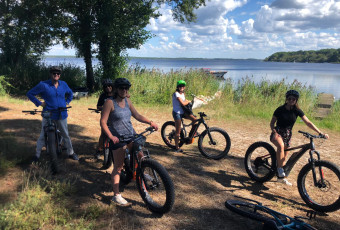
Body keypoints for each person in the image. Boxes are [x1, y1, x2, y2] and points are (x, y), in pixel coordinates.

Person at [100, 77, 158, 205]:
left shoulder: (127, 101)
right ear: (116, 89)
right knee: (118, 168)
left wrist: (150, 122)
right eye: (121, 88)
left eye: (126, 88)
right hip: (117, 138)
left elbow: (137, 115)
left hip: (130, 135)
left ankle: (140, 173)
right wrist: (111, 136)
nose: (124, 90)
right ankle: (116, 195)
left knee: (141, 156)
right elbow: (103, 122)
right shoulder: (109, 102)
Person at [270, 89, 329, 185]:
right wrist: (274, 131)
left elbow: (308, 122)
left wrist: (320, 132)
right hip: (277, 132)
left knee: (284, 158)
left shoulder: (297, 110)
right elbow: (272, 123)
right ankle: (280, 170)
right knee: (280, 146)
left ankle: (281, 178)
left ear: (296, 100)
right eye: (289, 98)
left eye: (293, 99)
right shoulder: (280, 109)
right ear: (286, 99)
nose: (291, 100)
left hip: (288, 134)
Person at [27, 66, 79, 162]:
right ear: (50, 74)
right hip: (49, 114)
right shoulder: (43, 85)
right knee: (42, 135)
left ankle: (71, 153)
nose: (56, 75)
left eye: (58, 73)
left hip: (62, 114)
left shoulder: (63, 84)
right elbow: (30, 93)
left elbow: (70, 93)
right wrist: (40, 103)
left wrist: (67, 101)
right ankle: (37, 155)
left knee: (65, 134)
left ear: (60, 75)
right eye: (54, 73)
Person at [172, 80, 197, 153]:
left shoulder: (182, 93)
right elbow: (182, 103)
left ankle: (190, 137)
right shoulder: (176, 94)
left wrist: (188, 100)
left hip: (183, 112)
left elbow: (184, 100)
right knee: (178, 131)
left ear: (184, 87)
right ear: (177, 87)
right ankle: (176, 147)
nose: (181, 87)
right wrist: (189, 101)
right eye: (180, 86)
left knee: (195, 120)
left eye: (183, 86)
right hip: (177, 113)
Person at [94, 79, 115, 159]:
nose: (108, 87)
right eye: (106, 86)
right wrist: (103, 108)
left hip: (114, 117)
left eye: (109, 85)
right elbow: (98, 106)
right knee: (103, 134)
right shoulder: (103, 96)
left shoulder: (116, 94)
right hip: (105, 118)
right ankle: (99, 150)